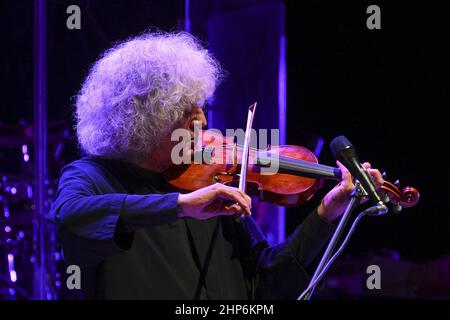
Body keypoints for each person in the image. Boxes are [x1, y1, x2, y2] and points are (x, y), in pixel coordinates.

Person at [49, 32, 383, 299]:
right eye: (186, 111)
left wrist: (328, 212)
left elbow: (265, 283)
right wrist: (181, 206)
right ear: (143, 120)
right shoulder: (93, 176)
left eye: (201, 107)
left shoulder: (211, 183)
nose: (204, 120)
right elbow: (71, 218)